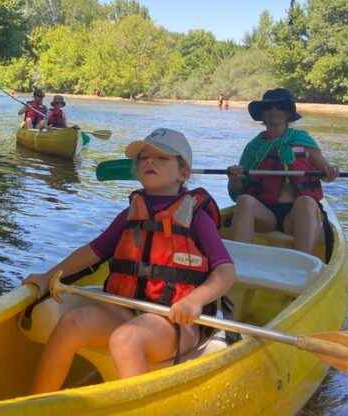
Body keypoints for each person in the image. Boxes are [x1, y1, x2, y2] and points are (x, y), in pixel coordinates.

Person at [23, 128, 236, 394]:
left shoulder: (198, 218)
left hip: (175, 322)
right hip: (127, 307)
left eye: (162, 158)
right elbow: (92, 252)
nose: (149, 161)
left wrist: (195, 300)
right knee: (72, 323)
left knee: (127, 339)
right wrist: (47, 277)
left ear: (184, 173)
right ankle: (38, 403)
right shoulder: (130, 214)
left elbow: (226, 272)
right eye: (144, 157)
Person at [227, 88, 338, 254]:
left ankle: (302, 262)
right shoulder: (253, 147)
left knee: (307, 202)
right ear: (262, 115)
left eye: (279, 106)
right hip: (266, 215)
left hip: (295, 214)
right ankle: (239, 262)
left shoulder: (303, 140)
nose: (273, 111)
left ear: (287, 113)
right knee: (244, 200)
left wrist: (331, 171)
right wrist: (234, 179)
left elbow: (326, 175)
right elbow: (237, 192)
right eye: (267, 107)